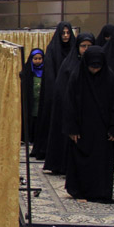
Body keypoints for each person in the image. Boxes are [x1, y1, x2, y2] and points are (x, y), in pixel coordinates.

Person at [64, 46, 114, 203]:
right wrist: (72, 128)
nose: (95, 70)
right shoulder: (77, 77)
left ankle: (100, 192)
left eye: (98, 67)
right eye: (92, 66)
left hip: (103, 131)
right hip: (82, 129)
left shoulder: (109, 78)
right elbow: (69, 104)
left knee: (102, 163)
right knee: (80, 162)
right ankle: (80, 190)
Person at [43, 34, 95, 173]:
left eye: (89, 46)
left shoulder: (98, 66)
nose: (86, 49)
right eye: (83, 46)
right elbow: (62, 92)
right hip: (72, 113)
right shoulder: (69, 65)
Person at [32, 22, 76, 160]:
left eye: (68, 33)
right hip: (56, 92)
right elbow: (50, 74)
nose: (66, 36)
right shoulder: (52, 49)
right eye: (63, 33)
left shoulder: (74, 48)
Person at [21, 48, 44, 145]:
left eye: (40, 58)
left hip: (41, 102)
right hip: (31, 101)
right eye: (35, 58)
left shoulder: (46, 71)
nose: (38, 61)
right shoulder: (27, 71)